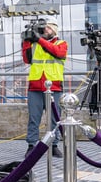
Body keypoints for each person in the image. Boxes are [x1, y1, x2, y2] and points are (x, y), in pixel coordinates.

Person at [22, 17, 68, 157]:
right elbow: (26, 59)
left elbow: (58, 53)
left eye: (47, 28)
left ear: (54, 29)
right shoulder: (35, 43)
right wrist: (26, 41)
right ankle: (31, 145)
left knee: (55, 118)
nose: (44, 30)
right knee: (34, 118)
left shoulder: (61, 43)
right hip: (35, 86)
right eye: (43, 28)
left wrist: (39, 40)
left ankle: (53, 145)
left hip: (54, 86)